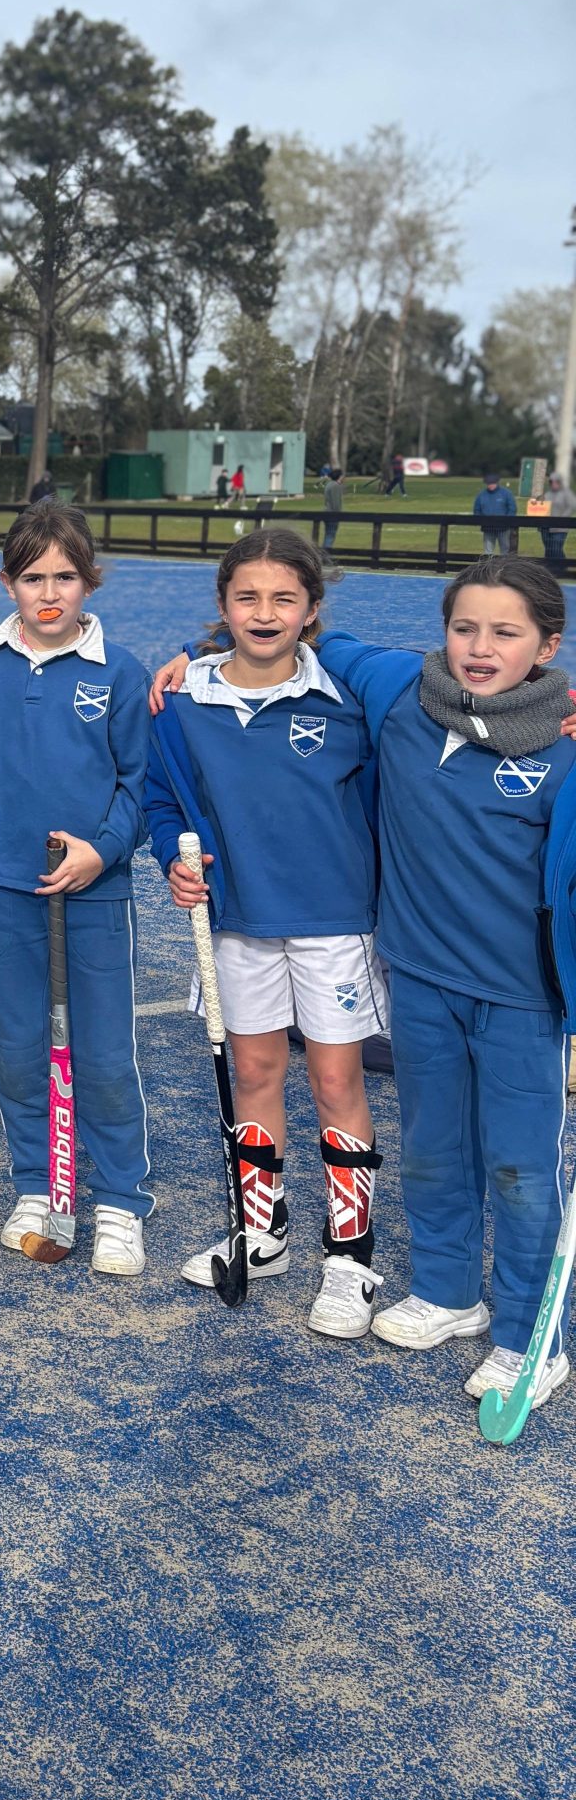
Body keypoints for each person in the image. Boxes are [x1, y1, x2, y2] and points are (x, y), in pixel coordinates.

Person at [314, 560, 575, 1415]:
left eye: (505, 632)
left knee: (521, 1169)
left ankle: (531, 1340)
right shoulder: (401, 691)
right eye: (465, 627)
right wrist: (194, 655)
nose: (480, 647)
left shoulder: (565, 747)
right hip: (421, 978)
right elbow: (309, 636)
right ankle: (447, 1291)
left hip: (522, 999)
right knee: (432, 1146)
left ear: (546, 646)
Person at [143, 529, 387, 1339]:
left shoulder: (347, 699)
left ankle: (350, 1257)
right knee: (252, 1071)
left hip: (333, 922)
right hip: (237, 920)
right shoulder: (181, 701)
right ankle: (263, 1230)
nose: (264, 611)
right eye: (247, 596)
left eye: (285, 597)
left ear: (311, 610)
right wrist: (174, 858)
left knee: (336, 1081)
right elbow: (162, 803)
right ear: (222, 604)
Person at [0, 505, 152, 1275]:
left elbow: (139, 783)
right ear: (8, 583)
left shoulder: (120, 672)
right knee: (22, 1049)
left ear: (90, 582)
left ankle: (122, 1198)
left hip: (94, 892)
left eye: (66, 577)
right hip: (0, 885)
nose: (49, 593)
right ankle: (38, 1183)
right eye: (33, 578)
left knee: (103, 1054)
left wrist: (102, 850)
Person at [473, 468, 518, 556]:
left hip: (503, 528)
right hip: (487, 527)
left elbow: (512, 508)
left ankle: (504, 564)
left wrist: (507, 521)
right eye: (488, 483)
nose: (490, 485)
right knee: (488, 551)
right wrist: (480, 520)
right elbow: (477, 510)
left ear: (497, 483)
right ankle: (488, 564)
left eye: (492, 483)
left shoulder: (506, 493)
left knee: (505, 550)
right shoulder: (481, 495)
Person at [543, 474, 573, 576]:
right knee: (549, 547)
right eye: (552, 482)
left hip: (560, 527)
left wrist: (562, 519)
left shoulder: (566, 494)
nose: (553, 484)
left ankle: (561, 567)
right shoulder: (547, 494)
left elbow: (571, 506)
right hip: (546, 526)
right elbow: (542, 506)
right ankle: (550, 567)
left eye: (556, 482)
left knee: (556, 546)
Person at [320, 465, 345, 553]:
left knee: (328, 534)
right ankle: (326, 554)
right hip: (332, 514)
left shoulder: (329, 484)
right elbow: (336, 503)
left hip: (326, 512)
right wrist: (338, 515)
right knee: (330, 535)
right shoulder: (336, 486)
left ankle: (323, 554)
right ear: (339, 476)